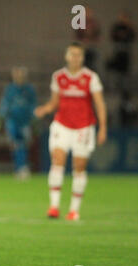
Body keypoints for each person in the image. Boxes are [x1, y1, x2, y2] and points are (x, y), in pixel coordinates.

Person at [34, 42, 107, 221]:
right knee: (57, 161)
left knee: (79, 167)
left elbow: (99, 103)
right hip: (62, 125)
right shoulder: (58, 77)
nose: (75, 58)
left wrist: (103, 127)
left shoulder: (90, 77)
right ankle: (54, 206)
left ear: (82, 58)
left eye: (78, 55)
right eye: (72, 54)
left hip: (83, 127)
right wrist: (45, 109)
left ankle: (74, 210)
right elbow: (55, 102)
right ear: (67, 56)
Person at [0, 67, 36, 179]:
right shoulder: (10, 89)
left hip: (25, 121)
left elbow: (33, 105)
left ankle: (23, 167)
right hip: (12, 121)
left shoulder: (29, 89)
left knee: (24, 144)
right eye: (16, 75)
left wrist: (35, 120)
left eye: (20, 75)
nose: (18, 77)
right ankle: (19, 168)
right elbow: (4, 104)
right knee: (15, 145)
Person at [106, 10, 137, 127]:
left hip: (126, 58)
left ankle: (127, 103)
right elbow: (113, 37)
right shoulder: (116, 27)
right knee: (116, 74)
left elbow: (134, 37)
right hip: (118, 56)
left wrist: (130, 26)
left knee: (125, 84)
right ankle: (117, 86)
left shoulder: (130, 28)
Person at [73, 6, 101, 71]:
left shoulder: (94, 23)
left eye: (88, 12)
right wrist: (82, 42)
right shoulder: (80, 22)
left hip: (92, 47)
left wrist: (93, 41)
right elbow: (77, 35)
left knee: (92, 65)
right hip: (82, 48)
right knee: (82, 65)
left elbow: (97, 34)